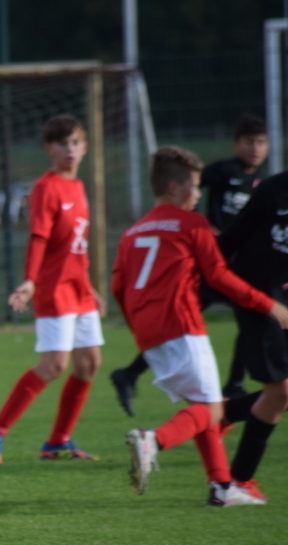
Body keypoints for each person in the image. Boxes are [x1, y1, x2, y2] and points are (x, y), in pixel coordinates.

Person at [111, 147, 288, 505]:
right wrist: (268, 304)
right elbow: (219, 275)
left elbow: (118, 286)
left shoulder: (132, 232)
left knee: (203, 403)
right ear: (174, 188)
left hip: (148, 332)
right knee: (213, 410)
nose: (198, 194)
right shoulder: (192, 224)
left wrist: (138, 329)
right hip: (182, 325)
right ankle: (152, 441)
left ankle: (221, 487)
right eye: (194, 186)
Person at [110, 114, 269, 415]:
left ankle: (131, 374)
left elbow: (118, 286)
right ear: (235, 144)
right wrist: (198, 225)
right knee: (232, 317)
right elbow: (185, 186)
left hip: (224, 264)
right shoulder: (223, 173)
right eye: (249, 142)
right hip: (205, 263)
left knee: (210, 328)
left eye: (261, 142)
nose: (255, 148)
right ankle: (158, 430)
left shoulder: (261, 182)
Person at [0, 114, 103, 464]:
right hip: (54, 287)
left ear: (85, 147)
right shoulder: (46, 187)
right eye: (62, 144)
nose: (70, 150)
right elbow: (39, 238)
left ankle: (58, 441)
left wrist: (89, 286)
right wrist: (30, 280)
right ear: (49, 149)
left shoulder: (78, 186)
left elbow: (77, 245)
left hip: (79, 288)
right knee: (55, 364)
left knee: (89, 363)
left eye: (75, 143)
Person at [214, 163, 288, 502]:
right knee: (280, 392)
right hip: (260, 301)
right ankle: (238, 481)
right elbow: (232, 239)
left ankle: (221, 415)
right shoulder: (272, 191)